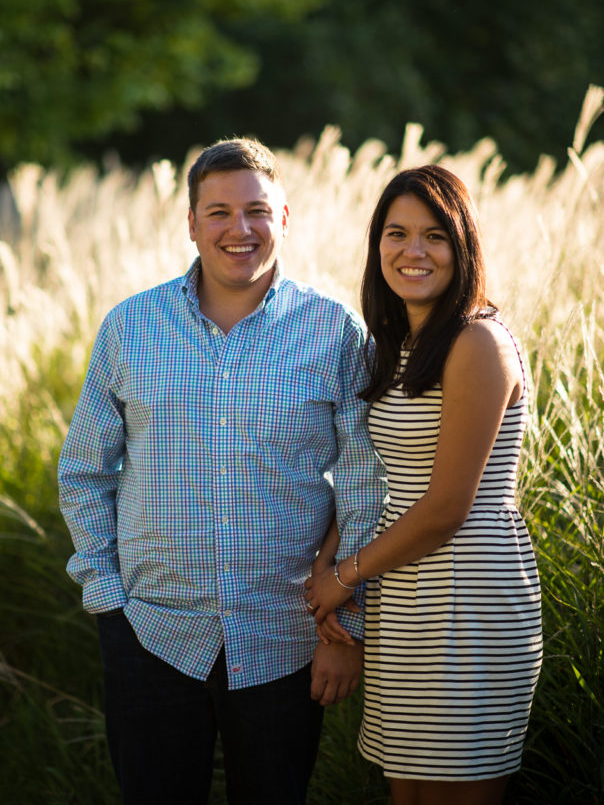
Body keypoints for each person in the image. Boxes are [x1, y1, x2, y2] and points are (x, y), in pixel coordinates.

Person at [58, 137, 386, 805]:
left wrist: (347, 627)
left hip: (285, 639)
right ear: (191, 223)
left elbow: (364, 485)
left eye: (257, 211)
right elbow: (85, 469)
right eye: (219, 212)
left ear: (285, 219)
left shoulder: (335, 333)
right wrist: (107, 599)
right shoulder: (131, 328)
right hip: (149, 633)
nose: (240, 229)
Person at [304, 164, 542, 805]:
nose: (413, 250)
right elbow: (377, 477)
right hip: (405, 599)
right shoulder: (400, 344)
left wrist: (345, 575)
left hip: (467, 599)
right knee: (407, 792)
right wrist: (329, 562)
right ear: (377, 243)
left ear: (462, 245)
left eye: (435, 235)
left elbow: (445, 507)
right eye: (396, 232)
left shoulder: (476, 342)